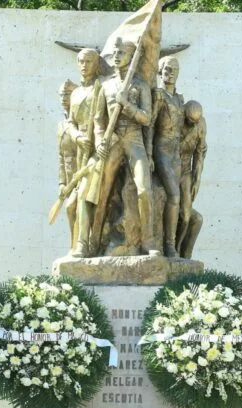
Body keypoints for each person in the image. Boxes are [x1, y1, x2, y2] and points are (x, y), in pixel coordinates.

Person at [91, 38, 161, 257]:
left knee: (144, 190)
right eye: (115, 52)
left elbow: (147, 119)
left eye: (122, 52)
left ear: (132, 57)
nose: (117, 56)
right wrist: (99, 141)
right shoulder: (104, 84)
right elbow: (97, 120)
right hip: (112, 140)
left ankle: (148, 242)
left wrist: (127, 105)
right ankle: (93, 242)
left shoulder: (140, 85)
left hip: (134, 139)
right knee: (102, 192)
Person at [66, 48, 104, 258]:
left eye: (89, 61)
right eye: (81, 61)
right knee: (69, 207)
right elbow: (70, 122)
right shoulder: (76, 93)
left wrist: (97, 143)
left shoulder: (101, 88)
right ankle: (75, 246)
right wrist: (77, 137)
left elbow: (102, 121)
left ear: (97, 64)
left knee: (83, 196)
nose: (84, 65)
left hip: (97, 151)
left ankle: (83, 245)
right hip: (81, 147)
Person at [150, 56, 184, 257]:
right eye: (167, 69)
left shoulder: (179, 99)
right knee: (174, 195)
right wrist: (148, 153)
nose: (170, 73)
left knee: (175, 199)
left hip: (176, 152)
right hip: (161, 148)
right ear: (160, 71)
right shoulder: (159, 95)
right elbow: (151, 124)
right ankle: (169, 245)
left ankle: (170, 243)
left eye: (174, 69)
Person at [176, 99, 206, 258]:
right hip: (169, 167)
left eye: (195, 122)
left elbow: (200, 154)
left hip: (186, 171)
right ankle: (172, 250)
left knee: (186, 216)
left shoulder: (201, 125)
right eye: (190, 121)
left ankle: (179, 251)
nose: (193, 125)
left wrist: (197, 179)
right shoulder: (176, 119)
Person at [56, 79, 78, 252]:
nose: (64, 98)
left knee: (72, 208)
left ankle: (78, 246)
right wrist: (62, 183)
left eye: (68, 94)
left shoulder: (81, 123)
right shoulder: (61, 125)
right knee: (71, 210)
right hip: (70, 177)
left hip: (83, 174)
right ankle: (75, 245)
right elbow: (61, 157)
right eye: (62, 95)